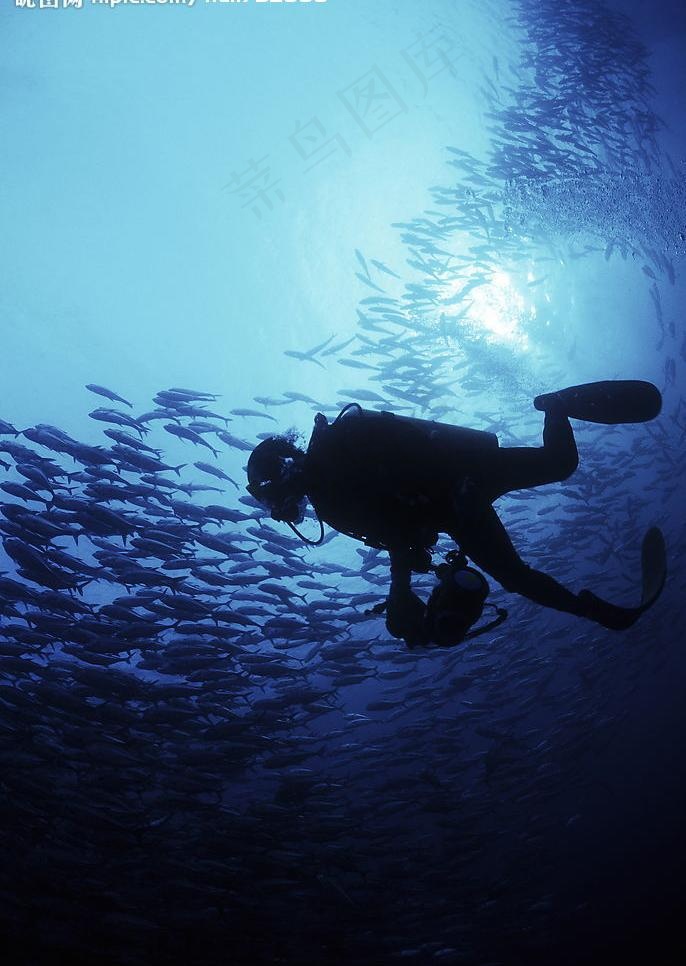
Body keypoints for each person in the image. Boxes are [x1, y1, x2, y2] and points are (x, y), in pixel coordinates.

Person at [246, 380, 664, 646]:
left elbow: (395, 521)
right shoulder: (330, 482)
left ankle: (600, 613)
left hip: (460, 489)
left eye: (269, 499)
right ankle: (555, 406)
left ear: (280, 476)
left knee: (520, 567)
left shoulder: (331, 477)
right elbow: (399, 525)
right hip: (460, 493)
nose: (276, 511)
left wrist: (399, 588)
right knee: (558, 468)